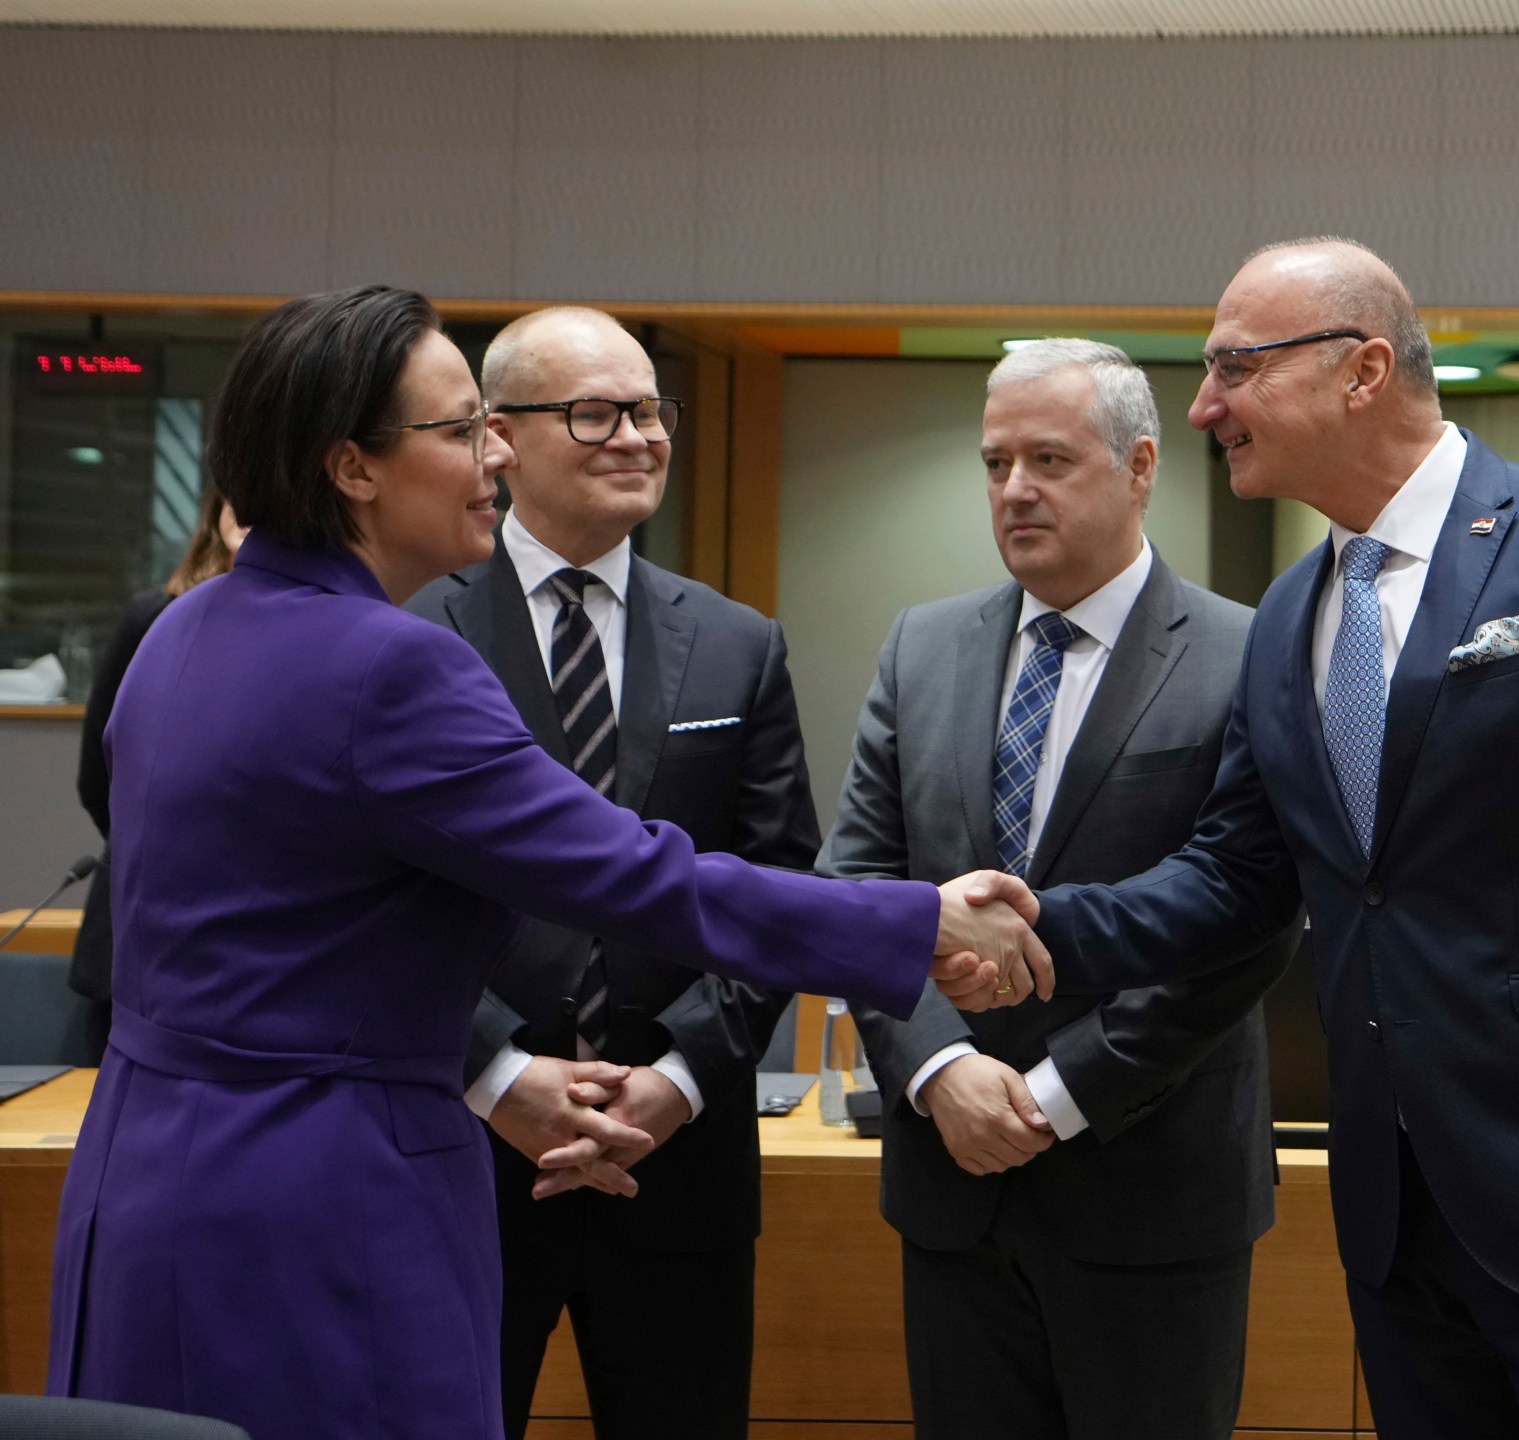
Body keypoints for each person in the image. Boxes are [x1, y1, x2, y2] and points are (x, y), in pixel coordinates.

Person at [45, 285, 1046, 1440]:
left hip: (149, 1176)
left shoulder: (183, 631)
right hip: (321, 1190)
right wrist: (914, 926)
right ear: (352, 468)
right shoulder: (386, 666)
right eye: (462, 429)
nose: (490, 457)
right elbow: (629, 872)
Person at [973, 239, 1519, 1440]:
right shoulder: (1292, 611)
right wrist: (1039, 927)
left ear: (1361, 371)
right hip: (1397, 1214)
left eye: (1233, 368)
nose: (1203, 408)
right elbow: (1238, 877)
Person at [822, 339, 1298, 1440]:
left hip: (1151, 1187)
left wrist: (1053, 1096)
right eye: (994, 463)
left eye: (1048, 458)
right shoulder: (921, 646)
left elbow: (1252, 918)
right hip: (951, 1186)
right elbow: (858, 880)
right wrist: (941, 1072)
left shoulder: (1249, 652)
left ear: (1139, 467)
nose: (1014, 489)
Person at [405, 307, 801, 1440]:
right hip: (465, 1151)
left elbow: (770, 881)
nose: (636, 436)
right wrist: (497, 1072)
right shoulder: (413, 634)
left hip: (676, 1163)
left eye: (649, 410)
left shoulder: (738, 643)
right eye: (595, 412)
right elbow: (379, 899)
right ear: (499, 438)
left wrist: (674, 1080)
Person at [67, 483, 247, 1056]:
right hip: (134, 930)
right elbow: (99, 776)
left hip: (241, 950)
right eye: (240, 501)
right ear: (214, 513)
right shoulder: (156, 617)